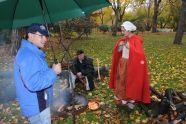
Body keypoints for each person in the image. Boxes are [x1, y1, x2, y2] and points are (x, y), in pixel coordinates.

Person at [14, 23, 62, 124]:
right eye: (41, 36)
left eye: (46, 36)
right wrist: (53, 72)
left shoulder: (33, 52)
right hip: (36, 107)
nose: (45, 39)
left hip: (39, 104)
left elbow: (38, 74)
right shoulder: (28, 54)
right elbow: (34, 83)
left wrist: (51, 70)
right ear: (30, 35)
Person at [109, 21, 150, 109]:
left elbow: (140, 54)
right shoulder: (124, 39)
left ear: (129, 30)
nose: (122, 32)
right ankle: (122, 96)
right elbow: (119, 52)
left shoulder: (136, 40)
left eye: (124, 31)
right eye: (122, 30)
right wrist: (119, 46)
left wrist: (130, 47)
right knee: (121, 79)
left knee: (129, 81)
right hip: (122, 62)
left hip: (131, 65)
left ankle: (129, 97)